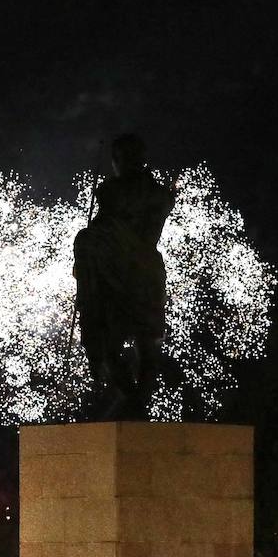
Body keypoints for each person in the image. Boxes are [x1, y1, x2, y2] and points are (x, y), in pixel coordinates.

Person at [72, 132, 176, 417]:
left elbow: (99, 234)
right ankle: (138, 399)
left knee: (106, 339)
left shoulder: (109, 192)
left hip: (116, 274)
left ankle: (134, 400)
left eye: (117, 158)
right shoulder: (160, 194)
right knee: (148, 339)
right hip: (148, 270)